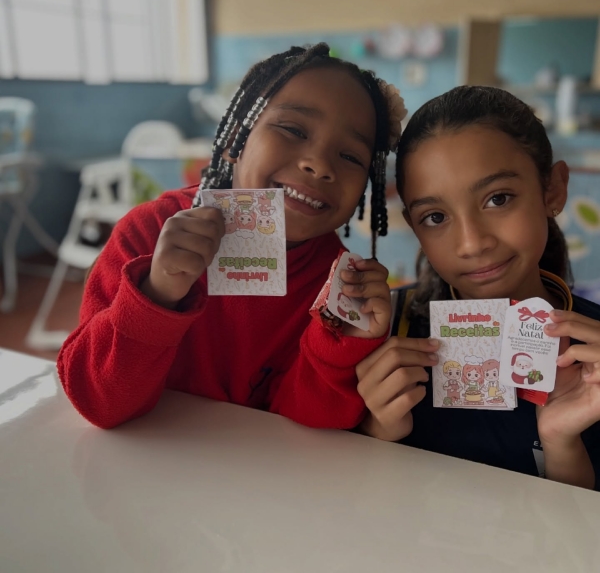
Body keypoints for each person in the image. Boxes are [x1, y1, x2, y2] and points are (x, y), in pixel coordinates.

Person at [58, 43, 406, 430]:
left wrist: (342, 342)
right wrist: (156, 292)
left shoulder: (336, 285)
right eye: (293, 130)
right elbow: (98, 401)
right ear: (235, 141)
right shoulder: (148, 233)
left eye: (351, 156)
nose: (319, 164)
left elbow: (306, 428)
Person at [356, 86, 600, 490]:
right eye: (435, 217)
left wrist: (561, 444)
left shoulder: (594, 354)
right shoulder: (384, 334)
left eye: (498, 199)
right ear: (415, 227)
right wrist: (373, 433)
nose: (472, 244)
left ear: (552, 190)